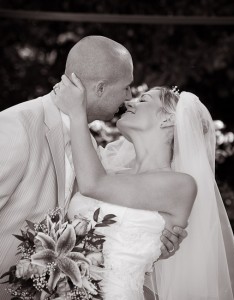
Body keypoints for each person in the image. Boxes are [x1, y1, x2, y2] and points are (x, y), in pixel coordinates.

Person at [0, 36, 186, 299]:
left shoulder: (89, 148)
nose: (129, 97)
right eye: (126, 87)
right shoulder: (15, 128)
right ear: (100, 88)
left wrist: (155, 242)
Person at [54, 74, 234, 300]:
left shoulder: (181, 185)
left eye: (143, 101)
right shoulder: (106, 169)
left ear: (168, 120)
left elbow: (93, 185)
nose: (129, 102)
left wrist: (76, 112)